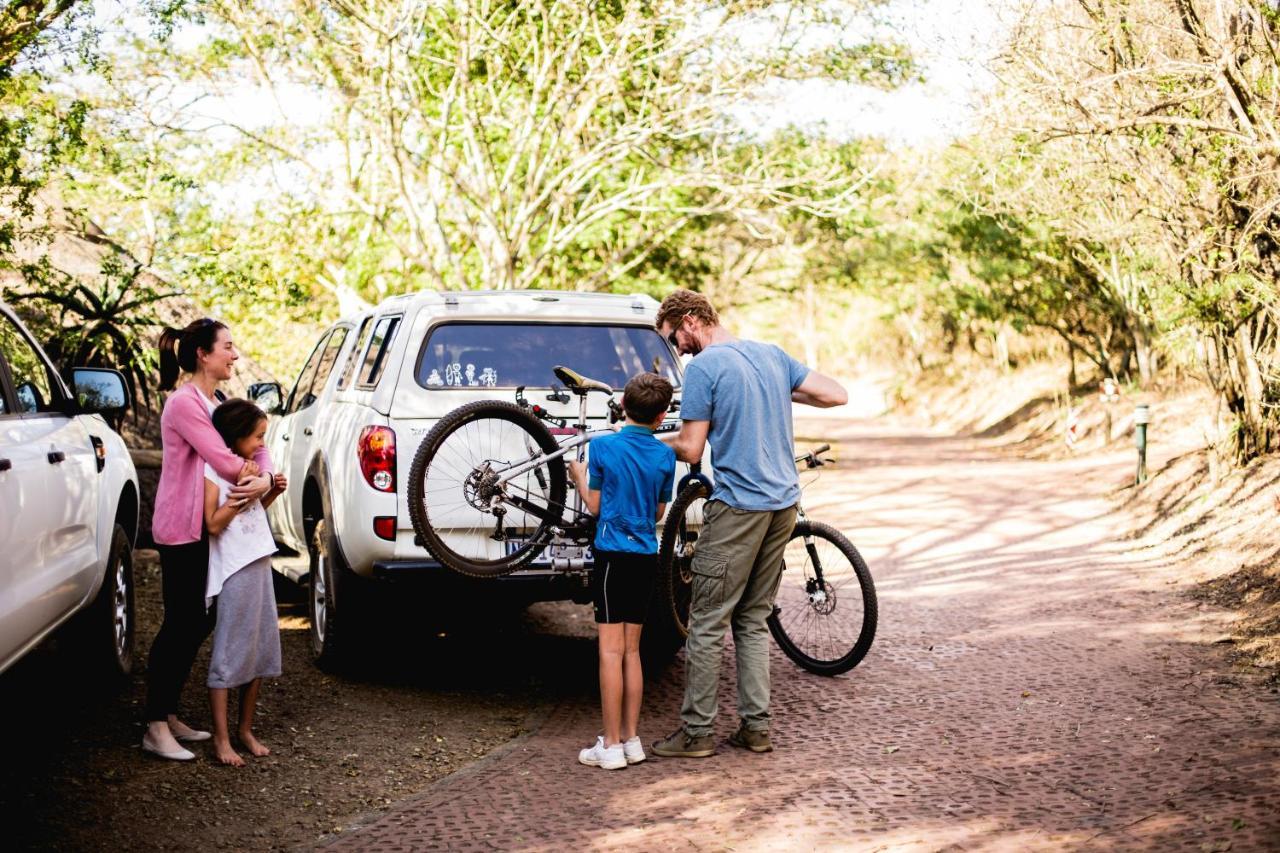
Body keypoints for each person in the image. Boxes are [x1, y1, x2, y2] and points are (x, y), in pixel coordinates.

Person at [651, 290, 847, 758]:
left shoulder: (704, 369)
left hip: (739, 508)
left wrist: (648, 440)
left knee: (705, 621)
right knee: (753, 619)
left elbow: (693, 448)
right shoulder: (771, 356)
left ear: (693, 320)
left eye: (675, 338)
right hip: (783, 506)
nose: (677, 350)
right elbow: (836, 394)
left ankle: (697, 734)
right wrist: (778, 389)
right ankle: (755, 728)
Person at [142, 319, 275, 762]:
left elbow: (255, 446)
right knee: (182, 621)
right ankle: (154, 725)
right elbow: (224, 456)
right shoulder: (185, 403)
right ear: (203, 353)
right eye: (228, 347)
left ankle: (169, 711)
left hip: (207, 527)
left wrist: (267, 476)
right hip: (182, 527)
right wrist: (255, 480)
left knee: (199, 621)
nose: (234, 355)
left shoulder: (218, 401)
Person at [567, 372, 676, 770]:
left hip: (613, 556)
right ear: (662, 416)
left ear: (623, 407)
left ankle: (609, 745)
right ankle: (631, 739)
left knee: (609, 652)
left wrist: (579, 477)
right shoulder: (666, 455)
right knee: (633, 651)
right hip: (646, 555)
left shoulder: (602, 446)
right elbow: (659, 512)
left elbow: (594, 507)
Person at [204, 399, 287, 767]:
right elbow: (214, 523)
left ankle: (245, 729)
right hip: (234, 569)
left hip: (259, 561)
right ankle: (222, 739)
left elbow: (253, 516)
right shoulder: (214, 470)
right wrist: (244, 494)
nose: (260, 445)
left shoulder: (250, 469)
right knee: (229, 651)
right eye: (256, 437)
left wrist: (269, 492)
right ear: (235, 437)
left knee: (259, 646)